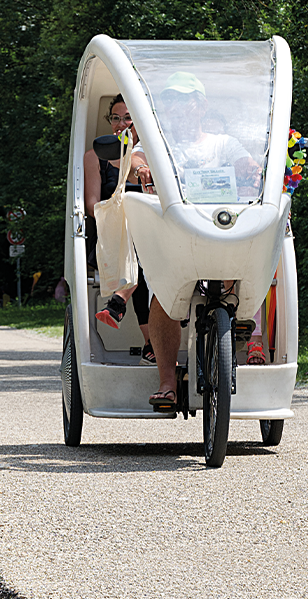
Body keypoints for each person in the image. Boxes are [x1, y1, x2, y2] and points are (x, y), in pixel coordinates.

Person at [142, 72, 264, 408]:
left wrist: (252, 170)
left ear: (201, 106)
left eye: (185, 100)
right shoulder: (157, 143)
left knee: (238, 256)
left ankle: (233, 319)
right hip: (173, 245)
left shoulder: (222, 142)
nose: (177, 107)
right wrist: (143, 169)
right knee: (163, 295)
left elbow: (246, 163)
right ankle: (168, 380)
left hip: (216, 236)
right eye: (171, 101)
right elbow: (138, 158)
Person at [83, 94, 154, 365]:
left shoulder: (149, 157)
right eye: (116, 117)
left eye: (128, 118)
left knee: (145, 249)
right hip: (112, 235)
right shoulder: (94, 157)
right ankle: (150, 342)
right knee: (140, 248)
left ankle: (119, 304)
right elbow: (92, 205)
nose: (121, 123)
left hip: (147, 235)